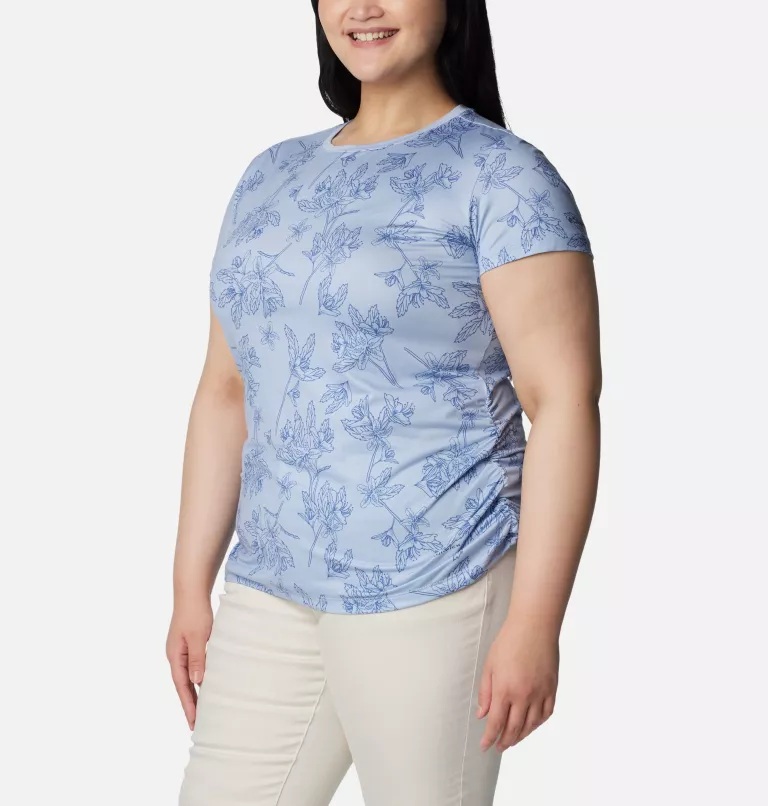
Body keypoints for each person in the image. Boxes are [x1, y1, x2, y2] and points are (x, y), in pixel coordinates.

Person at [168, 1, 602, 804]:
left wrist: (536, 621)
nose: (362, 7)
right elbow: (225, 391)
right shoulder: (270, 175)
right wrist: (189, 586)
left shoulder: (503, 178)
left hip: (437, 571)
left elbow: (564, 401)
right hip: (271, 582)